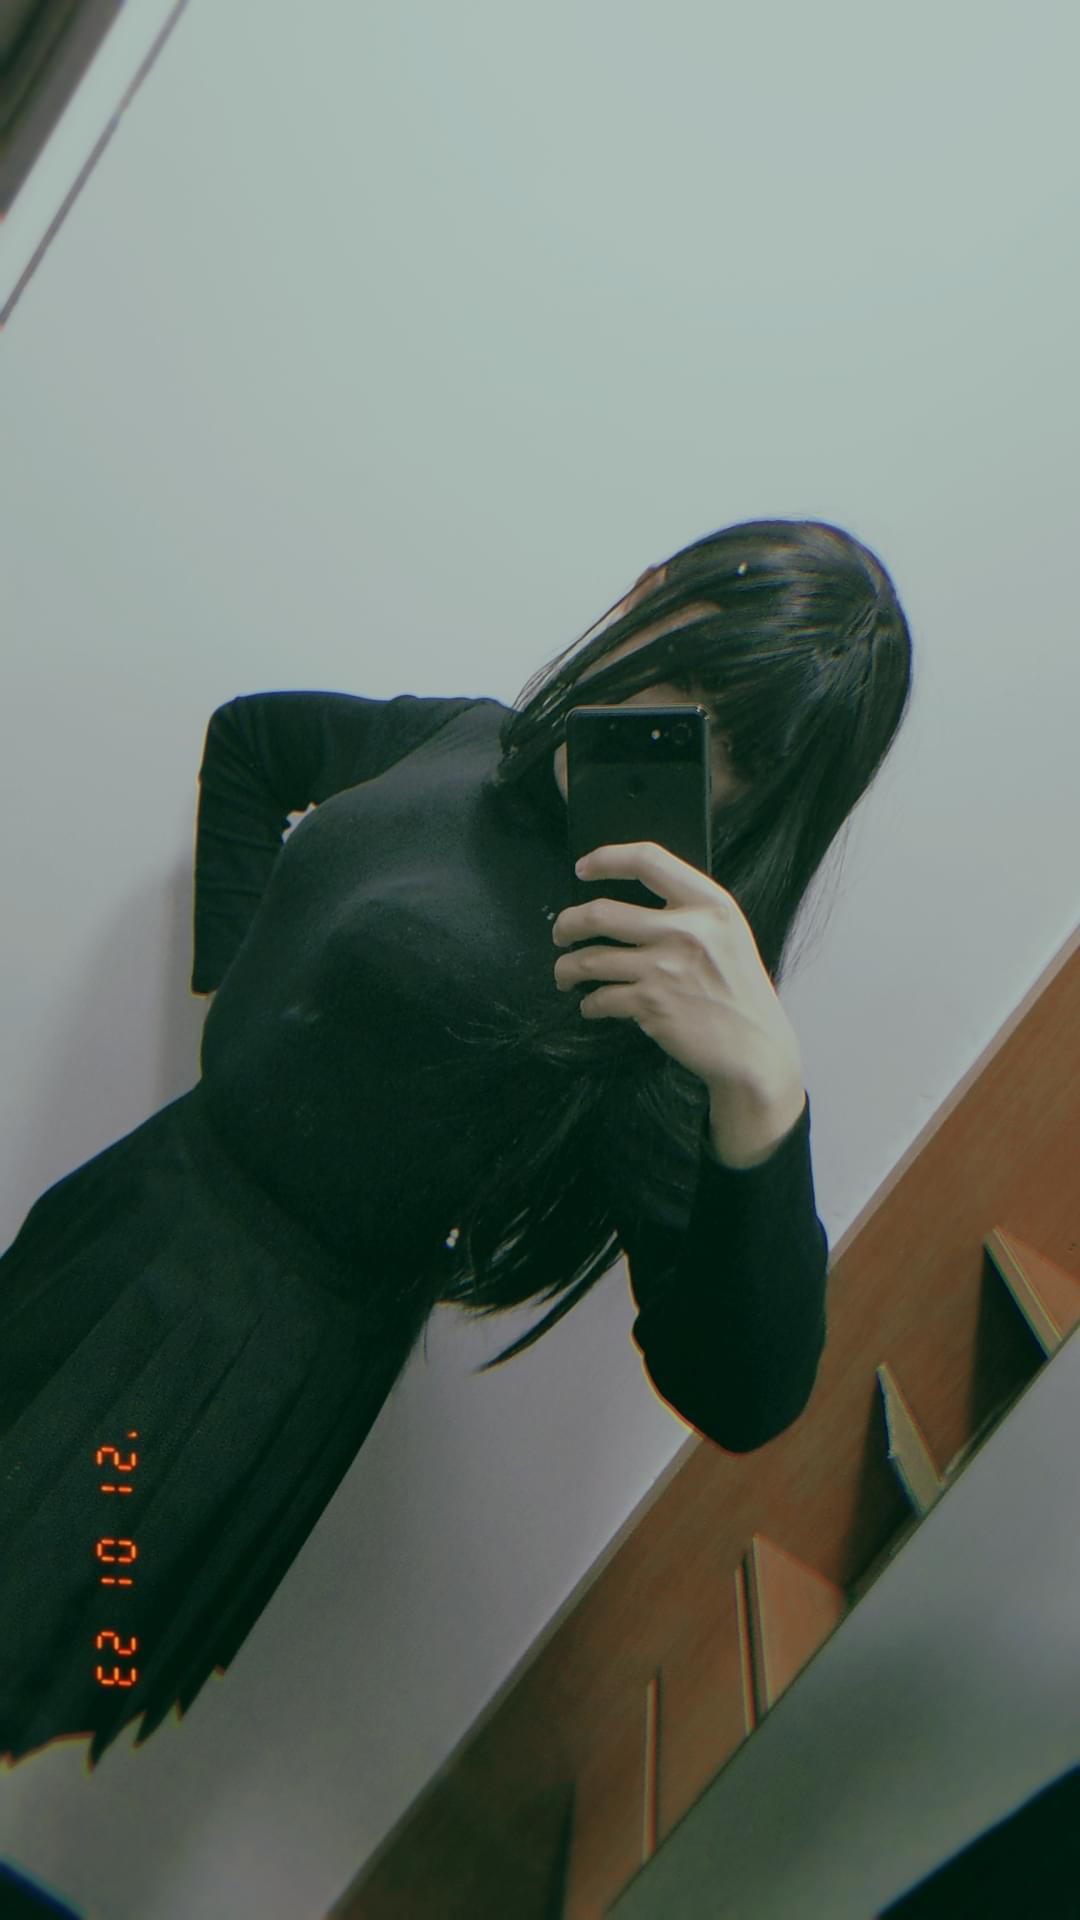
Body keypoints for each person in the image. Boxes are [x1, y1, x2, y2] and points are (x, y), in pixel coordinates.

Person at [0, 516, 914, 1772]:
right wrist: (245, 993)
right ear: (646, 596)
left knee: (27, 1637)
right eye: (686, 671)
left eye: (739, 748)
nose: (671, 731)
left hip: (213, 1378)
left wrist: (764, 1095)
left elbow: (744, 1397)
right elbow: (253, 743)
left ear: (774, 798)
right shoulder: (464, 740)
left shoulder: (636, 992)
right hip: (129, 1218)